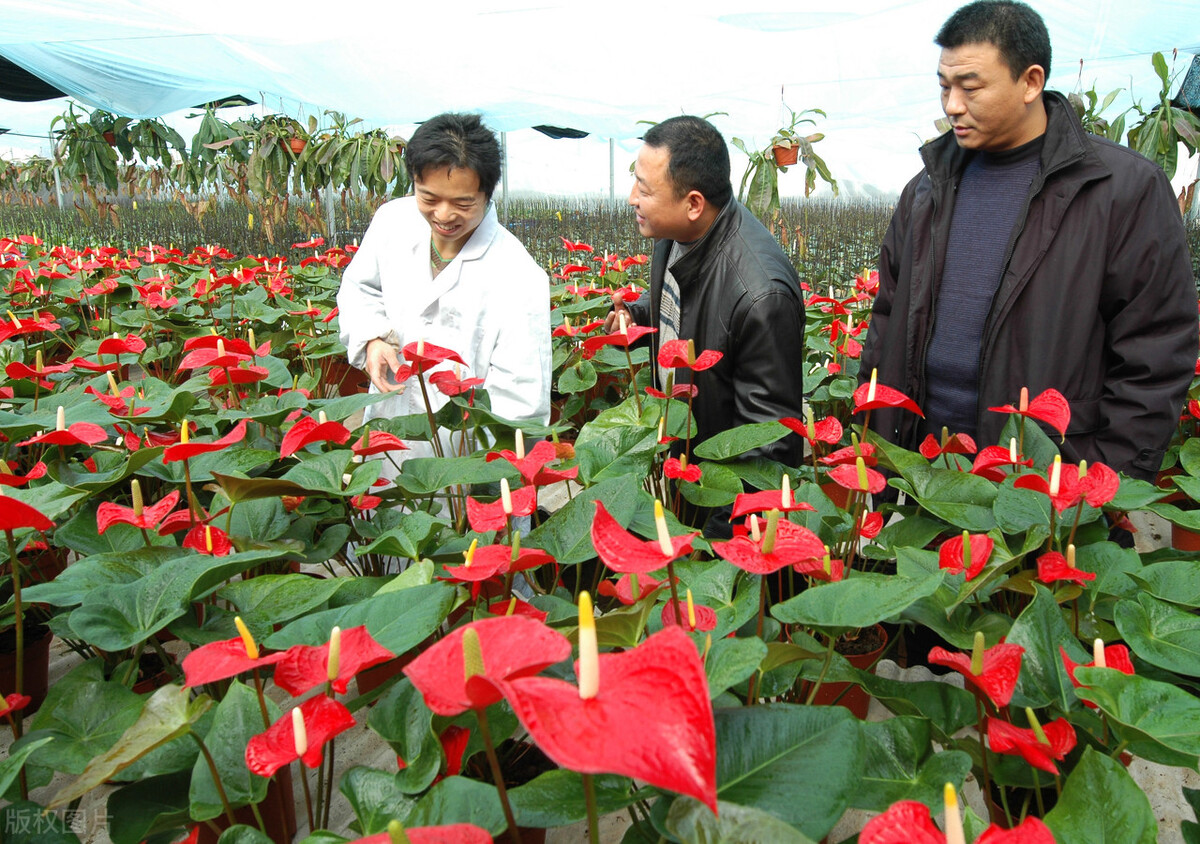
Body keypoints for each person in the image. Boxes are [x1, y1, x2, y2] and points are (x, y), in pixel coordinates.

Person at [860, 0, 1198, 481]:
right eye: (944, 86)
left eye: (970, 87)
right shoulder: (926, 189)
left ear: (1031, 82)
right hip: (926, 474)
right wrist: (875, 438)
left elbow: (1156, 351)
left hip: (1050, 479)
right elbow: (887, 318)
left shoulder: (1121, 189)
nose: (952, 105)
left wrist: (1105, 483)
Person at [609, 115, 806, 534]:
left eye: (644, 189)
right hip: (685, 469)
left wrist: (715, 541)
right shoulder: (676, 233)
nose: (631, 198)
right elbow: (682, 297)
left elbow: (766, 447)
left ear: (693, 203)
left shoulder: (761, 295)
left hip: (719, 510)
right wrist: (639, 314)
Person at [337, 112, 552, 464]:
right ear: (414, 182)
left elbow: (521, 399)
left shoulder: (518, 275)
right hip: (389, 434)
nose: (444, 214)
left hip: (463, 456)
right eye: (429, 197)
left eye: (463, 203)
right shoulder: (392, 222)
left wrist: (490, 482)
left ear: (487, 192)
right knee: (383, 506)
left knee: (446, 514)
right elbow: (359, 288)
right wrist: (372, 339)